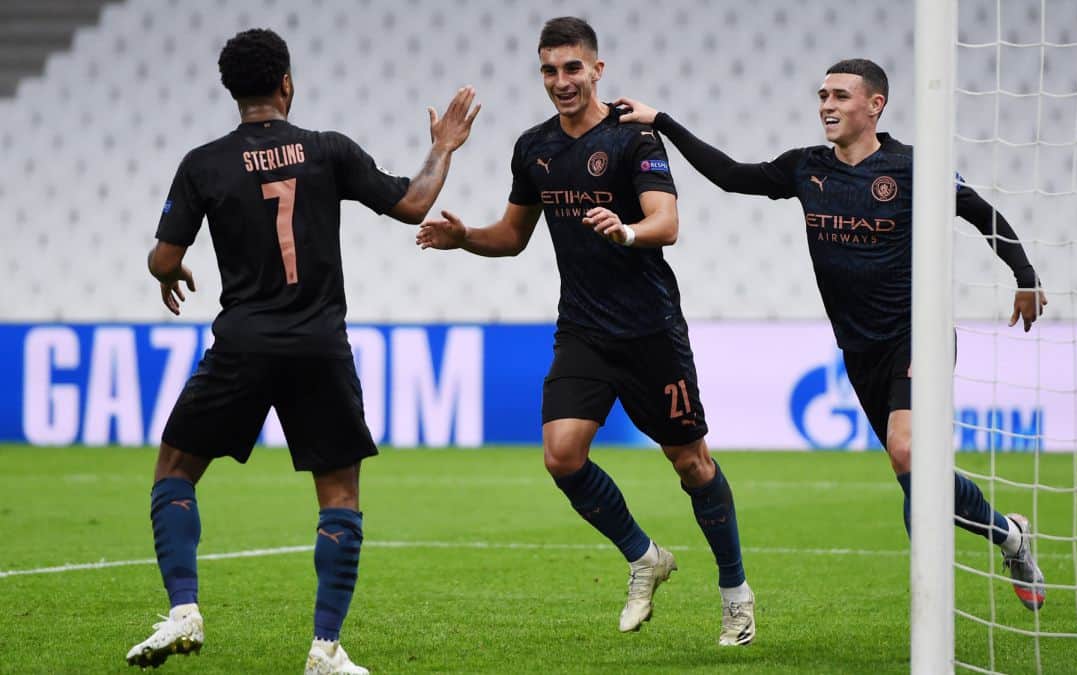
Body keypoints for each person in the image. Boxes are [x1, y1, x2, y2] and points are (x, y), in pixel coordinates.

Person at [616, 58, 1049, 611]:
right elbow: (730, 175)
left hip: (918, 335)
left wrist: (1025, 277)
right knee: (918, 473)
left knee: (906, 452)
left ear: (875, 105)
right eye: (823, 95)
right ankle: (1011, 536)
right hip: (859, 348)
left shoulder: (913, 168)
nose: (827, 105)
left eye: (841, 96)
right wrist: (663, 121)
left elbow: (982, 214)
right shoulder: (806, 167)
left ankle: (931, 608)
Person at [125, 28, 480, 673]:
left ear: (232, 91)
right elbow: (414, 203)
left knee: (174, 471)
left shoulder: (203, 163)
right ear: (286, 83)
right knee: (339, 495)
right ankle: (325, 649)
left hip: (242, 345)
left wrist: (166, 272)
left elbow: (164, 255)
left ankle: (183, 610)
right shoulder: (326, 150)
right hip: (318, 344)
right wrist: (443, 147)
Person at [415, 17, 755, 645]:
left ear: (597, 69)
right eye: (549, 70)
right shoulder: (534, 147)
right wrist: (464, 238)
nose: (561, 81)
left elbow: (666, 221)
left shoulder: (632, 137)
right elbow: (512, 236)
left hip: (651, 330)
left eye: (572, 68)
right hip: (583, 330)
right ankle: (645, 557)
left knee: (691, 462)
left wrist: (626, 231)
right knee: (562, 455)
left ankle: (735, 593)